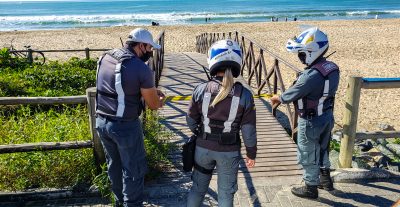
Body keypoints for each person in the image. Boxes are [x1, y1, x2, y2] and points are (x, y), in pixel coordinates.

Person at [95, 28, 165, 206]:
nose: (150, 53)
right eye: (149, 48)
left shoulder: (106, 57)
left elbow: (121, 87)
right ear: (141, 46)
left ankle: (119, 202)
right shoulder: (140, 68)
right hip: (125, 126)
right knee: (133, 170)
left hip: (102, 122)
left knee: (115, 166)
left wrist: (148, 90)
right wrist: (159, 99)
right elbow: (153, 105)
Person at [270, 27, 339, 199]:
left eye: (301, 54)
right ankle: (325, 180)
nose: (300, 58)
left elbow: (293, 93)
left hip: (310, 120)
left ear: (312, 52)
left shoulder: (310, 76)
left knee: (307, 152)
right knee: (323, 149)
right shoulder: (332, 68)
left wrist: (277, 98)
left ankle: (310, 187)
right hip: (327, 116)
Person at [186, 39, 257, 207]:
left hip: (202, 149)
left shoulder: (201, 89)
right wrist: (251, 153)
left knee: (197, 189)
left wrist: (199, 133)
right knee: (226, 193)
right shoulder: (245, 95)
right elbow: (249, 130)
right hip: (229, 152)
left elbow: (190, 118)